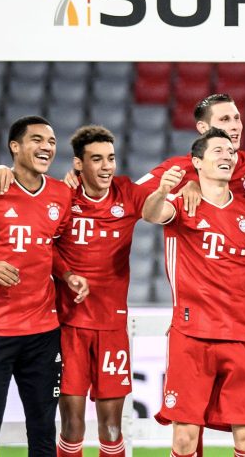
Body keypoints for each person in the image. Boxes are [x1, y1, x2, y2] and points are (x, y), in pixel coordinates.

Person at [142, 128, 245, 457]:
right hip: (191, 335)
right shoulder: (182, 204)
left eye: (230, 152)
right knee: (184, 439)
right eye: (217, 151)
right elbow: (149, 213)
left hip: (240, 337)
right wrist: (162, 190)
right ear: (197, 162)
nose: (227, 156)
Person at [52, 126, 151, 457]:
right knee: (72, 426)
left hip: (111, 328)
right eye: (97, 159)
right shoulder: (63, 197)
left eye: (111, 158)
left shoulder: (127, 193)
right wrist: (66, 275)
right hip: (69, 326)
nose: (107, 166)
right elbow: (44, 245)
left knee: (111, 427)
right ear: (79, 165)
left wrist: (192, 184)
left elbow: (173, 176)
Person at [0, 116, 88, 457]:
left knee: (44, 430)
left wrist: (66, 275)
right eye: (37, 140)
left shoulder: (60, 195)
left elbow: (51, 247)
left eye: (50, 142)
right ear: (15, 146)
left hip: (42, 332)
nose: (47, 147)